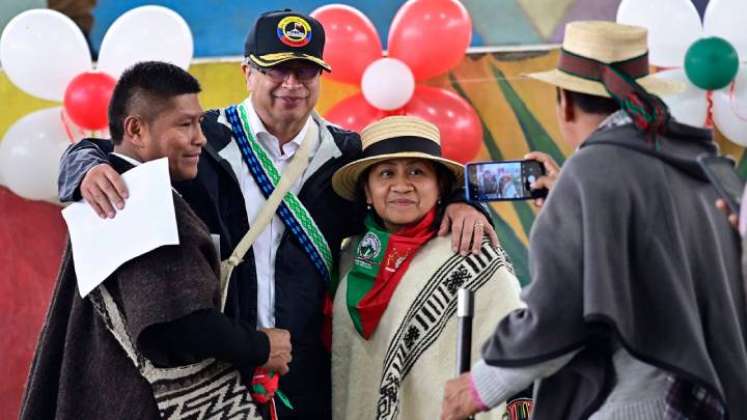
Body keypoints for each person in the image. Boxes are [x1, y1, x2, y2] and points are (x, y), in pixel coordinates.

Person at [56, 10, 495, 418]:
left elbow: (412, 185)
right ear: (247, 73)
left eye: (305, 71)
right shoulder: (199, 139)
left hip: (309, 371)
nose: (292, 83)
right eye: (276, 69)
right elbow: (119, 148)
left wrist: (462, 202)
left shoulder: (347, 155)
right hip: (220, 360)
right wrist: (83, 166)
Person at [442, 21, 747, 420]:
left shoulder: (590, 173)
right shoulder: (706, 166)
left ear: (564, 102)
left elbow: (559, 309)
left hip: (631, 405)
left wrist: (481, 385)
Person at [20, 61, 276, 419]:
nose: (199, 137)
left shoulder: (114, 185)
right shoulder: (137, 197)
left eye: (200, 122)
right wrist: (262, 345)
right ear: (136, 130)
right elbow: (176, 326)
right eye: (185, 124)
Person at [329, 116, 523, 420]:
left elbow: (514, 351)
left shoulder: (472, 252)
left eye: (417, 172)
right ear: (367, 191)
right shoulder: (350, 255)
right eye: (386, 173)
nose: (401, 185)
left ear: (440, 186)